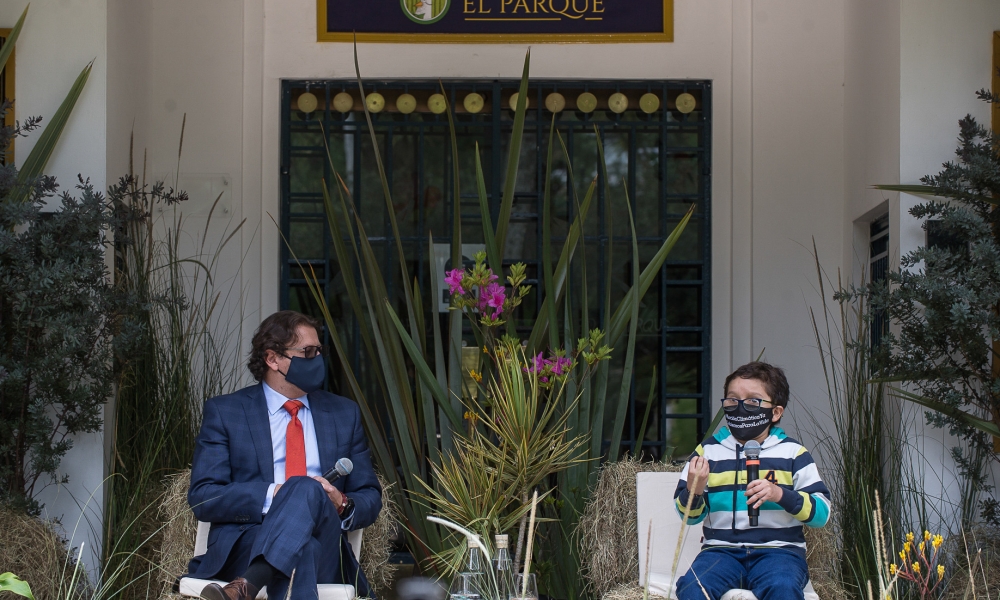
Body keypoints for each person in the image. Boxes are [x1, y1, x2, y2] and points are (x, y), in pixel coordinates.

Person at [184, 311, 382, 600]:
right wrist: (276, 494)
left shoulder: (343, 413)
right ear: (273, 359)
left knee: (306, 490)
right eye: (308, 352)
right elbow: (204, 496)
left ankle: (244, 588)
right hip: (249, 542)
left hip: (326, 544)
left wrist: (341, 502)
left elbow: (370, 497)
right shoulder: (227, 412)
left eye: (319, 351)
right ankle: (249, 582)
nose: (317, 359)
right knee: (303, 542)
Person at [673, 362, 830, 600]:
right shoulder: (707, 452)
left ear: (775, 412)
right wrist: (695, 489)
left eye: (752, 402)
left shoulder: (793, 453)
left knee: (783, 587)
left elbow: (822, 514)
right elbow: (689, 516)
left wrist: (780, 495)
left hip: (780, 553)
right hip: (720, 552)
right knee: (691, 587)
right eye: (732, 400)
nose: (740, 408)